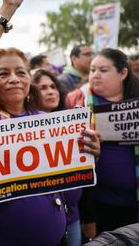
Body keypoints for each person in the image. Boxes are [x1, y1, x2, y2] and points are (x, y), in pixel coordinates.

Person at [0, 0, 100, 246]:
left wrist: (87, 155)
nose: (13, 78)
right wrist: (6, 10)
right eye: (2, 74)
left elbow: (70, 189)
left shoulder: (43, 119)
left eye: (21, 72)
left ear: (29, 80)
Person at [66, 48, 139, 241]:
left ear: (123, 73)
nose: (95, 75)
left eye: (103, 70)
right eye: (92, 70)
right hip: (98, 205)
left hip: (134, 203)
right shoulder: (77, 104)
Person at [32, 69, 100, 246]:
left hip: (74, 218)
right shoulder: (21, 133)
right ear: (30, 94)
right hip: (45, 221)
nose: (50, 91)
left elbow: (85, 179)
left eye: (53, 86)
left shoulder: (73, 126)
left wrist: (94, 155)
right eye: (43, 88)